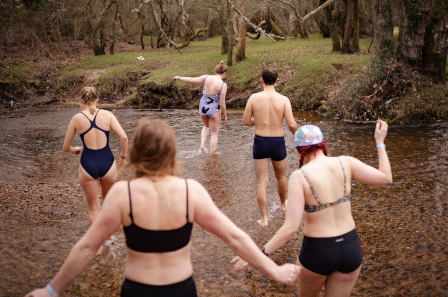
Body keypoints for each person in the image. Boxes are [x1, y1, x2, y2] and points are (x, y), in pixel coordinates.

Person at [26, 118, 299, 297]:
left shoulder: (123, 194)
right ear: (171, 152)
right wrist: (274, 271)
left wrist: (51, 290)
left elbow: (87, 247)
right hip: (181, 289)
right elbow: (234, 237)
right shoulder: (190, 191)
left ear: (136, 153)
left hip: (137, 290)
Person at [232, 120, 393, 297]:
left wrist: (259, 253)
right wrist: (380, 141)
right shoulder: (345, 163)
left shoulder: (300, 176)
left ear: (300, 149)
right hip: (350, 248)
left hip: (318, 251)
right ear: (322, 144)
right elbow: (386, 178)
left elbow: (291, 228)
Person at [62, 86, 128, 227]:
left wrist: (75, 150)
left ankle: (98, 247)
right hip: (108, 163)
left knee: (94, 209)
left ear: (81, 100)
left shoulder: (76, 119)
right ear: (97, 100)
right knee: (108, 204)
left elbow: (66, 147)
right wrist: (123, 158)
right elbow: (124, 137)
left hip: (88, 163)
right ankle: (110, 239)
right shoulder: (108, 115)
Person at [242, 67, 298, 226]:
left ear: (261, 80)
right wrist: (296, 134)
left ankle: (264, 218)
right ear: (277, 81)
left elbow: (246, 121)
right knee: (281, 176)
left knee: (261, 181)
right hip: (278, 141)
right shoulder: (284, 100)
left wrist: (258, 121)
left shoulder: (253, 98)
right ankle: (282, 205)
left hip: (260, 141)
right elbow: (292, 124)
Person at [173, 60, 228, 154]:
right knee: (214, 133)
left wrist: (179, 77)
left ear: (215, 71)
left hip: (202, 107)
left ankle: (202, 145)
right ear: (224, 73)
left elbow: (192, 80)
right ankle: (212, 153)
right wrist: (224, 115)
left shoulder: (206, 77)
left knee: (206, 126)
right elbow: (222, 103)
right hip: (214, 110)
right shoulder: (223, 85)